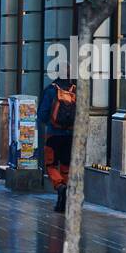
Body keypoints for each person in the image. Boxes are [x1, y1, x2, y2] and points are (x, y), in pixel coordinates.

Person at [38, 77, 76, 213]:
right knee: (66, 166)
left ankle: (60, 186)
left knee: (51, 165)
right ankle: (64, 201)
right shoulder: (75, 90)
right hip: (70, 136)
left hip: (53, 135)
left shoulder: (51, 90)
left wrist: (51, 123)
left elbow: (42, 115)